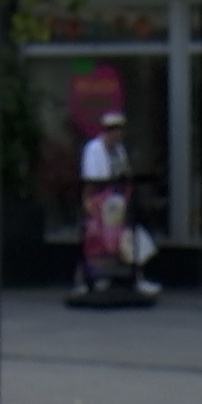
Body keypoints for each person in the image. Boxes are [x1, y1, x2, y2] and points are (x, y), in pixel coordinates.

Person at [76, 110, 158, 297]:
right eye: (113, 130)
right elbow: (93, 180)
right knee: (97, 240)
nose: (117, 135)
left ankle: (135, 278)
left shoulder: (119, 150)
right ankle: (92, 278)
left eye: (119, 131)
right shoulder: (94, 148)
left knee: (128, 237)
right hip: (100, 201)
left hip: (117, 202)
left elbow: (125, 175)